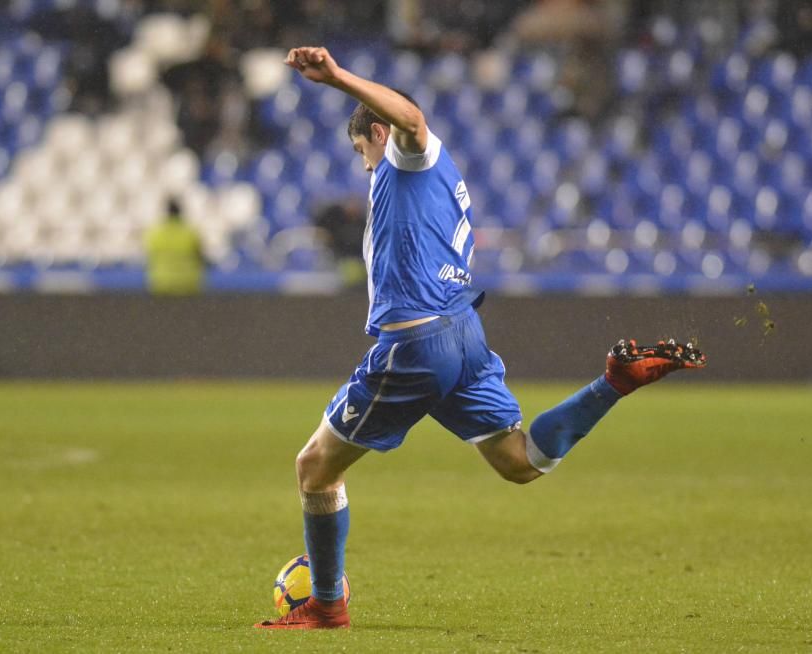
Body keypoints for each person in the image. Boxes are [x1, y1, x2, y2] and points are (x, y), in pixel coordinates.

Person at [255, 46, 706, 630]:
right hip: (464, 336)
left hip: (416, 346)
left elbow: (411, 121)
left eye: (361, 150)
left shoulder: (407, 159)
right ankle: (612, 383)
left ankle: (325, 604)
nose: (365, 166)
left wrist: (338, 77)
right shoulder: (444, 181)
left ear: (375, 132)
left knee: (315, 468)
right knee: (520, 462)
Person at [143, 199, 206, 295]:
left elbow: (149, 256)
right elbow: (200, 255)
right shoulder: (190, 233)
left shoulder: (156, 234)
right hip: (188, 284)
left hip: (162, 284)